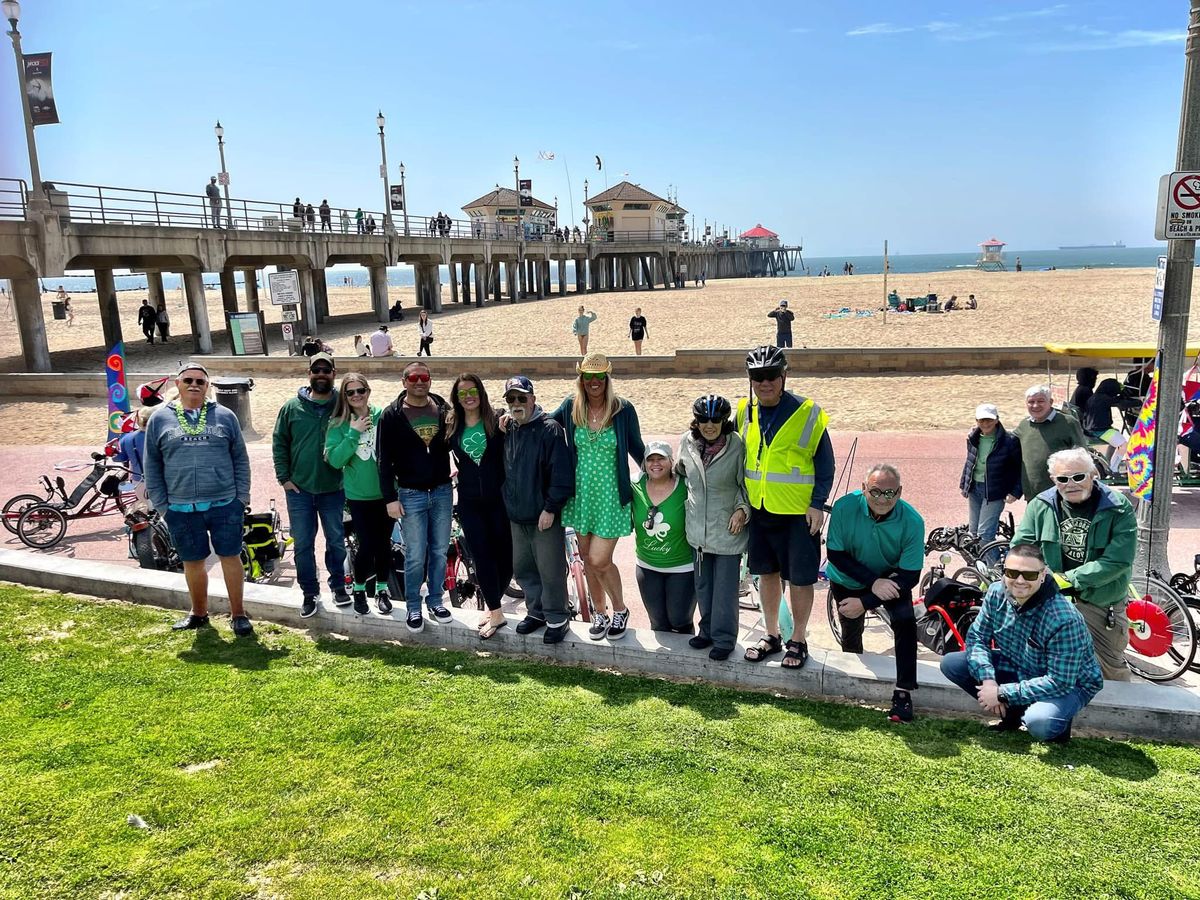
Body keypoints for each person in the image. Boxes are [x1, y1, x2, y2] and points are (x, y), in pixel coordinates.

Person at [940, 543, 1104, 742]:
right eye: (1011, 572)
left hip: (1071, 683)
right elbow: (977, 637)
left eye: (1029, 575)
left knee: (1039, 722)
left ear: (1043, 575)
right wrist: (988, 680)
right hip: (1020, 665)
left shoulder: (1064, 618)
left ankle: (1057, 722)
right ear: (1003, 572)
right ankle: (1013, 715)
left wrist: (1001, 693)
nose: (1019, 580)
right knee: (953, 663)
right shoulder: (995, 593)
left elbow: (1060, 681)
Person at [738, 344, 835, 670]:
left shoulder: (807, 413)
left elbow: (825, 464)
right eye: (757, 377)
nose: (764, 383)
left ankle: (800, 639)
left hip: (797, 513)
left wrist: (817, 504)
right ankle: (772, 635)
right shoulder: (744, 411)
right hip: (761, 510)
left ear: (783, 376)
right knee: (766, 575)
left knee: (801, 579)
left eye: (771, 377)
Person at [1010, 447, 1136, 681]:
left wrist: (1068, 580)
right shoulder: (1040, 505)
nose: (1071, 484)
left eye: (1078, 477)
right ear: (1053, 480)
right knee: (1048, 665)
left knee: (1110, 671)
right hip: (1050, 600)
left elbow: (1118, 560)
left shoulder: (1118, 506)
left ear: (1092, 474)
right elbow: (1021, 548)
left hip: (1100, 603)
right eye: (1063, 479)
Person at [144, 364, 253, 636]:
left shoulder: (226, 416)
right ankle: (199, 613)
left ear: (207, 387)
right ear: (177, 385)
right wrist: (163, 506)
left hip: (225, 503)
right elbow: (152, 465)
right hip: (180, 507)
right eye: (188, 380)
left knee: (230, 557)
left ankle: (238, 614)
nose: (194, 385)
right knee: (192, 562)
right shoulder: (159, 419)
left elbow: (240, 458)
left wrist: (241, 498)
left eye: (201, 382)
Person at [550, 352, 645, 640]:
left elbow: (638, 449)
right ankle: (599, 613)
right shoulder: (571, 406)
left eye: (599, 377)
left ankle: (620, 610)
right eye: (588, 377)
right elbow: (545, 426)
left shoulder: (622, 409)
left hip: (611, 497)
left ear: (607, 378)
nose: (594, 382)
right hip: (582, 498)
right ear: (581, 379)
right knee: (588, 561)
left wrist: (662, 477)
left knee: (599, 559)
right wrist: (510, 421)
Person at [826, 463, 925, 723]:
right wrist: (872, 584)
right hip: (848, 576)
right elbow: (835, 553)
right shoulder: (844, 507)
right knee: (850, 627)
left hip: (892, 579)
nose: (883, 499)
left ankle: (903, 691)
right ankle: (852, 678)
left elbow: (910, 576)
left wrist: (867, 600)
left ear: (900, 492)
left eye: (890, 493)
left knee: (904, 620)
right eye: (875, 492)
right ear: (863, 489)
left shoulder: (913, 521)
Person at [377, 361, 455, 633]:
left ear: (430, 380)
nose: (419, 382)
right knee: (415, 555)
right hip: (410, 494)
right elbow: (383, 461)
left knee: (439, 550)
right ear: (404, 381)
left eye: (424, 377)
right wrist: (390, 498)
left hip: (442, 491)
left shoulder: (444, 409)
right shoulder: (391, 415)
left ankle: (435, 600)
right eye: (414, 377)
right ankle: (413, 605)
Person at [272, 351, 349, 617]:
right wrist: (284, 478)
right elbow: (280, 442)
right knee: (303, 544)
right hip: (300, 491)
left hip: (334, 488)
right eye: (316, 370)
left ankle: (339, 586)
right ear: (309, 374)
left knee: (336, 542)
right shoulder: (292, 407)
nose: (321, 375)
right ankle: (309, 592)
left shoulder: (343, 404)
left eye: (326, 371)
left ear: (333, 375)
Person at [501, 375, 574, 643]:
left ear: (533, 398)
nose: (517, 403)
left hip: (543, 515)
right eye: (511, 399)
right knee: (524, 568)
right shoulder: (509, 428)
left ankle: (557, 616)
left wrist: (551, 508)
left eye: (522, 397)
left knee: (550, 569)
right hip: (517, 515)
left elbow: (562, 475)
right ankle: (536, 612)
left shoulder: (550, 429)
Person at [677, 394, 750, 661]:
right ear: (696, 422)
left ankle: (724, 638)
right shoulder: (686, 442)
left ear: (724, 421)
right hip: (697, 530)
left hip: (727, 530)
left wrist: (743, 511)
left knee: (725, 591)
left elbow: (747, 486)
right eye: (703, 419)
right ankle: (706, 631)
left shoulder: (737, 446)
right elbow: (680, 473)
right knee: (703, 586)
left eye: (716, 420)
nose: (710, 425)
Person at [448, 373, 513, 639]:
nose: (468, 397)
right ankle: (496, 611)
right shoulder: (451, 424)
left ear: (481, 392)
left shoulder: (497, 418)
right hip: (470, 502)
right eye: (462, 393)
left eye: (472, 391)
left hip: (499, 500)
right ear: (457, 398)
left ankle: (492, 604)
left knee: (506, 559)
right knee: (482, 555)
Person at [324, 373, 393, 616]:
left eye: (360, 390)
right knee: (367, 545)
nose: (356, 396)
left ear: (368, 391)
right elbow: (335, 460)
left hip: (385, 494)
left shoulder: (382, 415)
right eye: (349, 392)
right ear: (344, 396)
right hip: (359, 496)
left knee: (385, 544)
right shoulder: (338, 423)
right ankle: (360, 588)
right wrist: (353, 433)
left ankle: (383, 589)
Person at [631, 440, 695, 634]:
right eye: (650, 459)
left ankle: (687, 661)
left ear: (671, 461)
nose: (655, 463)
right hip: (647, 566)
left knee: (679, 619)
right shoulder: (634, 484)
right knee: (658, 623)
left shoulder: (686, 486)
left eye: (661, 458)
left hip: (682, 567)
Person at [959, 403, 1022, 549]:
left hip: (995, 492)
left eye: (989, 420)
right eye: (981, 420)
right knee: (972, 533)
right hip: (975, 488)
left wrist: (1015, 491)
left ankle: (992, 569)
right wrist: (965, 484)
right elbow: (970, 462)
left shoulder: (1009, 441)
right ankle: (974, 569)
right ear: (976, 421)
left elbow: (1019, 468)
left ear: (997, 420)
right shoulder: (973, 438)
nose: (985, 423)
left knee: (985, 535)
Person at [1012, 384, 1088, 500]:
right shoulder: (1024, 425)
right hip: (1033, 492)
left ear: (1051, 402)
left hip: (1061, 491)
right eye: (1031, 402)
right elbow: (1006, 441)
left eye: (1041, 401)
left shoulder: (1068, 422)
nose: (1035, 405)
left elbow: (1081, 453)